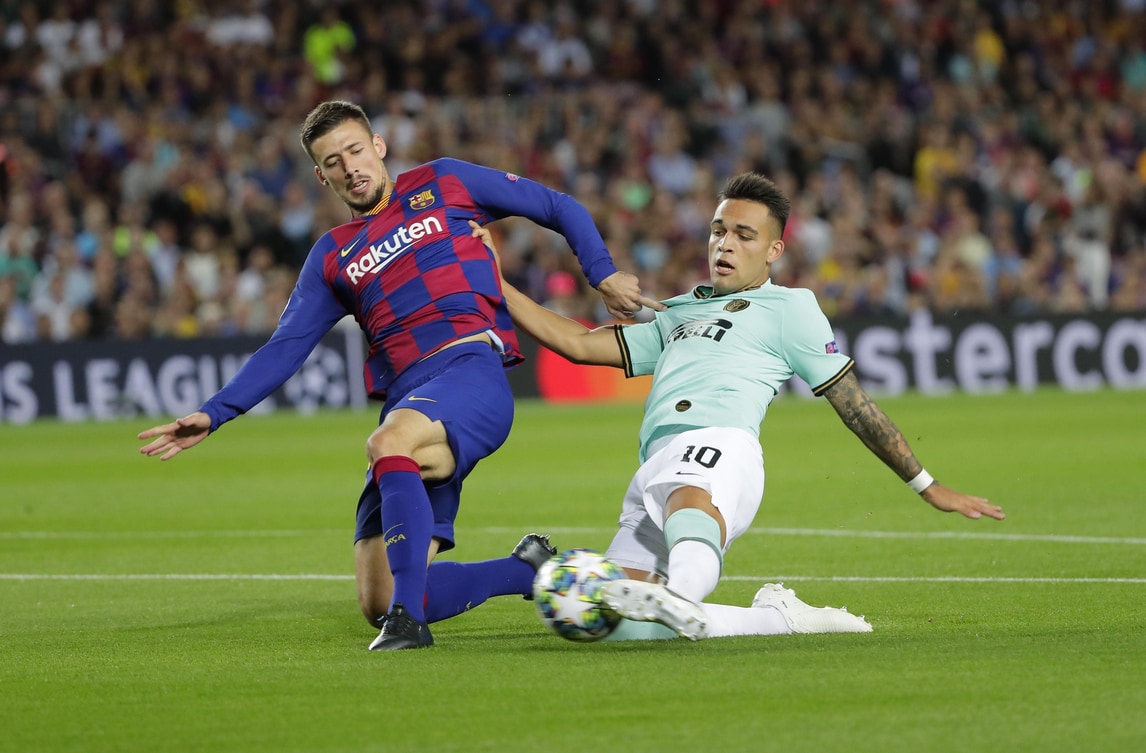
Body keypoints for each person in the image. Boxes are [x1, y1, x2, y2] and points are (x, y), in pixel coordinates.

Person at [138, 99, 658, 651]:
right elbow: (285, 348)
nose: (350, 167)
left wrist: (601, 273)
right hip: (409, 403)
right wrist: (215, 413)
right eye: (333, 162)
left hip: (468, 372)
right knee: (378, 598)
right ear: (321, 177)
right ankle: (524, 571)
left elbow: (556, 205)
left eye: (355, 150)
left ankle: (408, 625)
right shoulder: (332, 256)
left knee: (387, 446)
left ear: (378, 146)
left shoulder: (444, 181)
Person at [479, 171, 1005, 641]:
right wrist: (496, 283)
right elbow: (577, 344)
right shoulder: (677, 313)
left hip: (720, 446)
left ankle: (682, 592)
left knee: (687, 504)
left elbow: (855, 405)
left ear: (774, 250)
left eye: (744, 235)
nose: (725, 244)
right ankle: (777, 619)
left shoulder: (790, 308)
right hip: (653, 466)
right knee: (619, 627)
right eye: (718, 231)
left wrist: (926, 485)